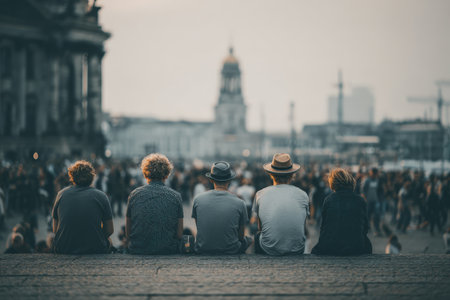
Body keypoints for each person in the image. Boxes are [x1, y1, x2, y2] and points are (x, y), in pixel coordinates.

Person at [52, 160, 114, 254]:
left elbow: (55, 229)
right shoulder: (101, 196)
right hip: (94, 247)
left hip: (64, 247)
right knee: (109, 241)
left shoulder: (61, 194)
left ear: (72, 177)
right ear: (92, 177)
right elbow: (109, 230)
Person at [126, 153, 183, 254]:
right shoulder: (176, 196)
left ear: (145, 173)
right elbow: (179, 234)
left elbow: (128, 233)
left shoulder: (134, 195)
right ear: (167, 174)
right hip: (168, 250)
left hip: (138, 249)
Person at [253, 153, 309, 255]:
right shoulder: (303, 195)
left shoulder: (260, 194)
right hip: (297, 248)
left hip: (269, 249)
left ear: (271, 174)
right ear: (292, 175)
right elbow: (303, 226)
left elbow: (260, 228)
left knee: (257, 235)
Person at [192, 161, 252, 254]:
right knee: (249, 240)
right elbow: (240, 237)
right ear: (229, 180)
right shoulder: (240, 203)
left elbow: (199, 227)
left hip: (203, 248)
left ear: (211, 180)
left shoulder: (198, 200)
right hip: (231, 249)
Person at [311, 168, 372, 255]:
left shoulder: (329, 200)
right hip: (356, 246)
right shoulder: (360, 200)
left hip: (332, 246)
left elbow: (324, 227)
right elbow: (365, 228)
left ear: (333, 183)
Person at [362, 168, 383, 236]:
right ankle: (367, 229)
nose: (375, 175)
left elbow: (379, 190)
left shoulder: (377, 180)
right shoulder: (367, 180)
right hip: (368, 201)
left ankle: (377, 230)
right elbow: (363, 190)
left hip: (376, 201)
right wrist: (365, 199)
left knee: (376, 216)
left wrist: (379, 199)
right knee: (367, 216)